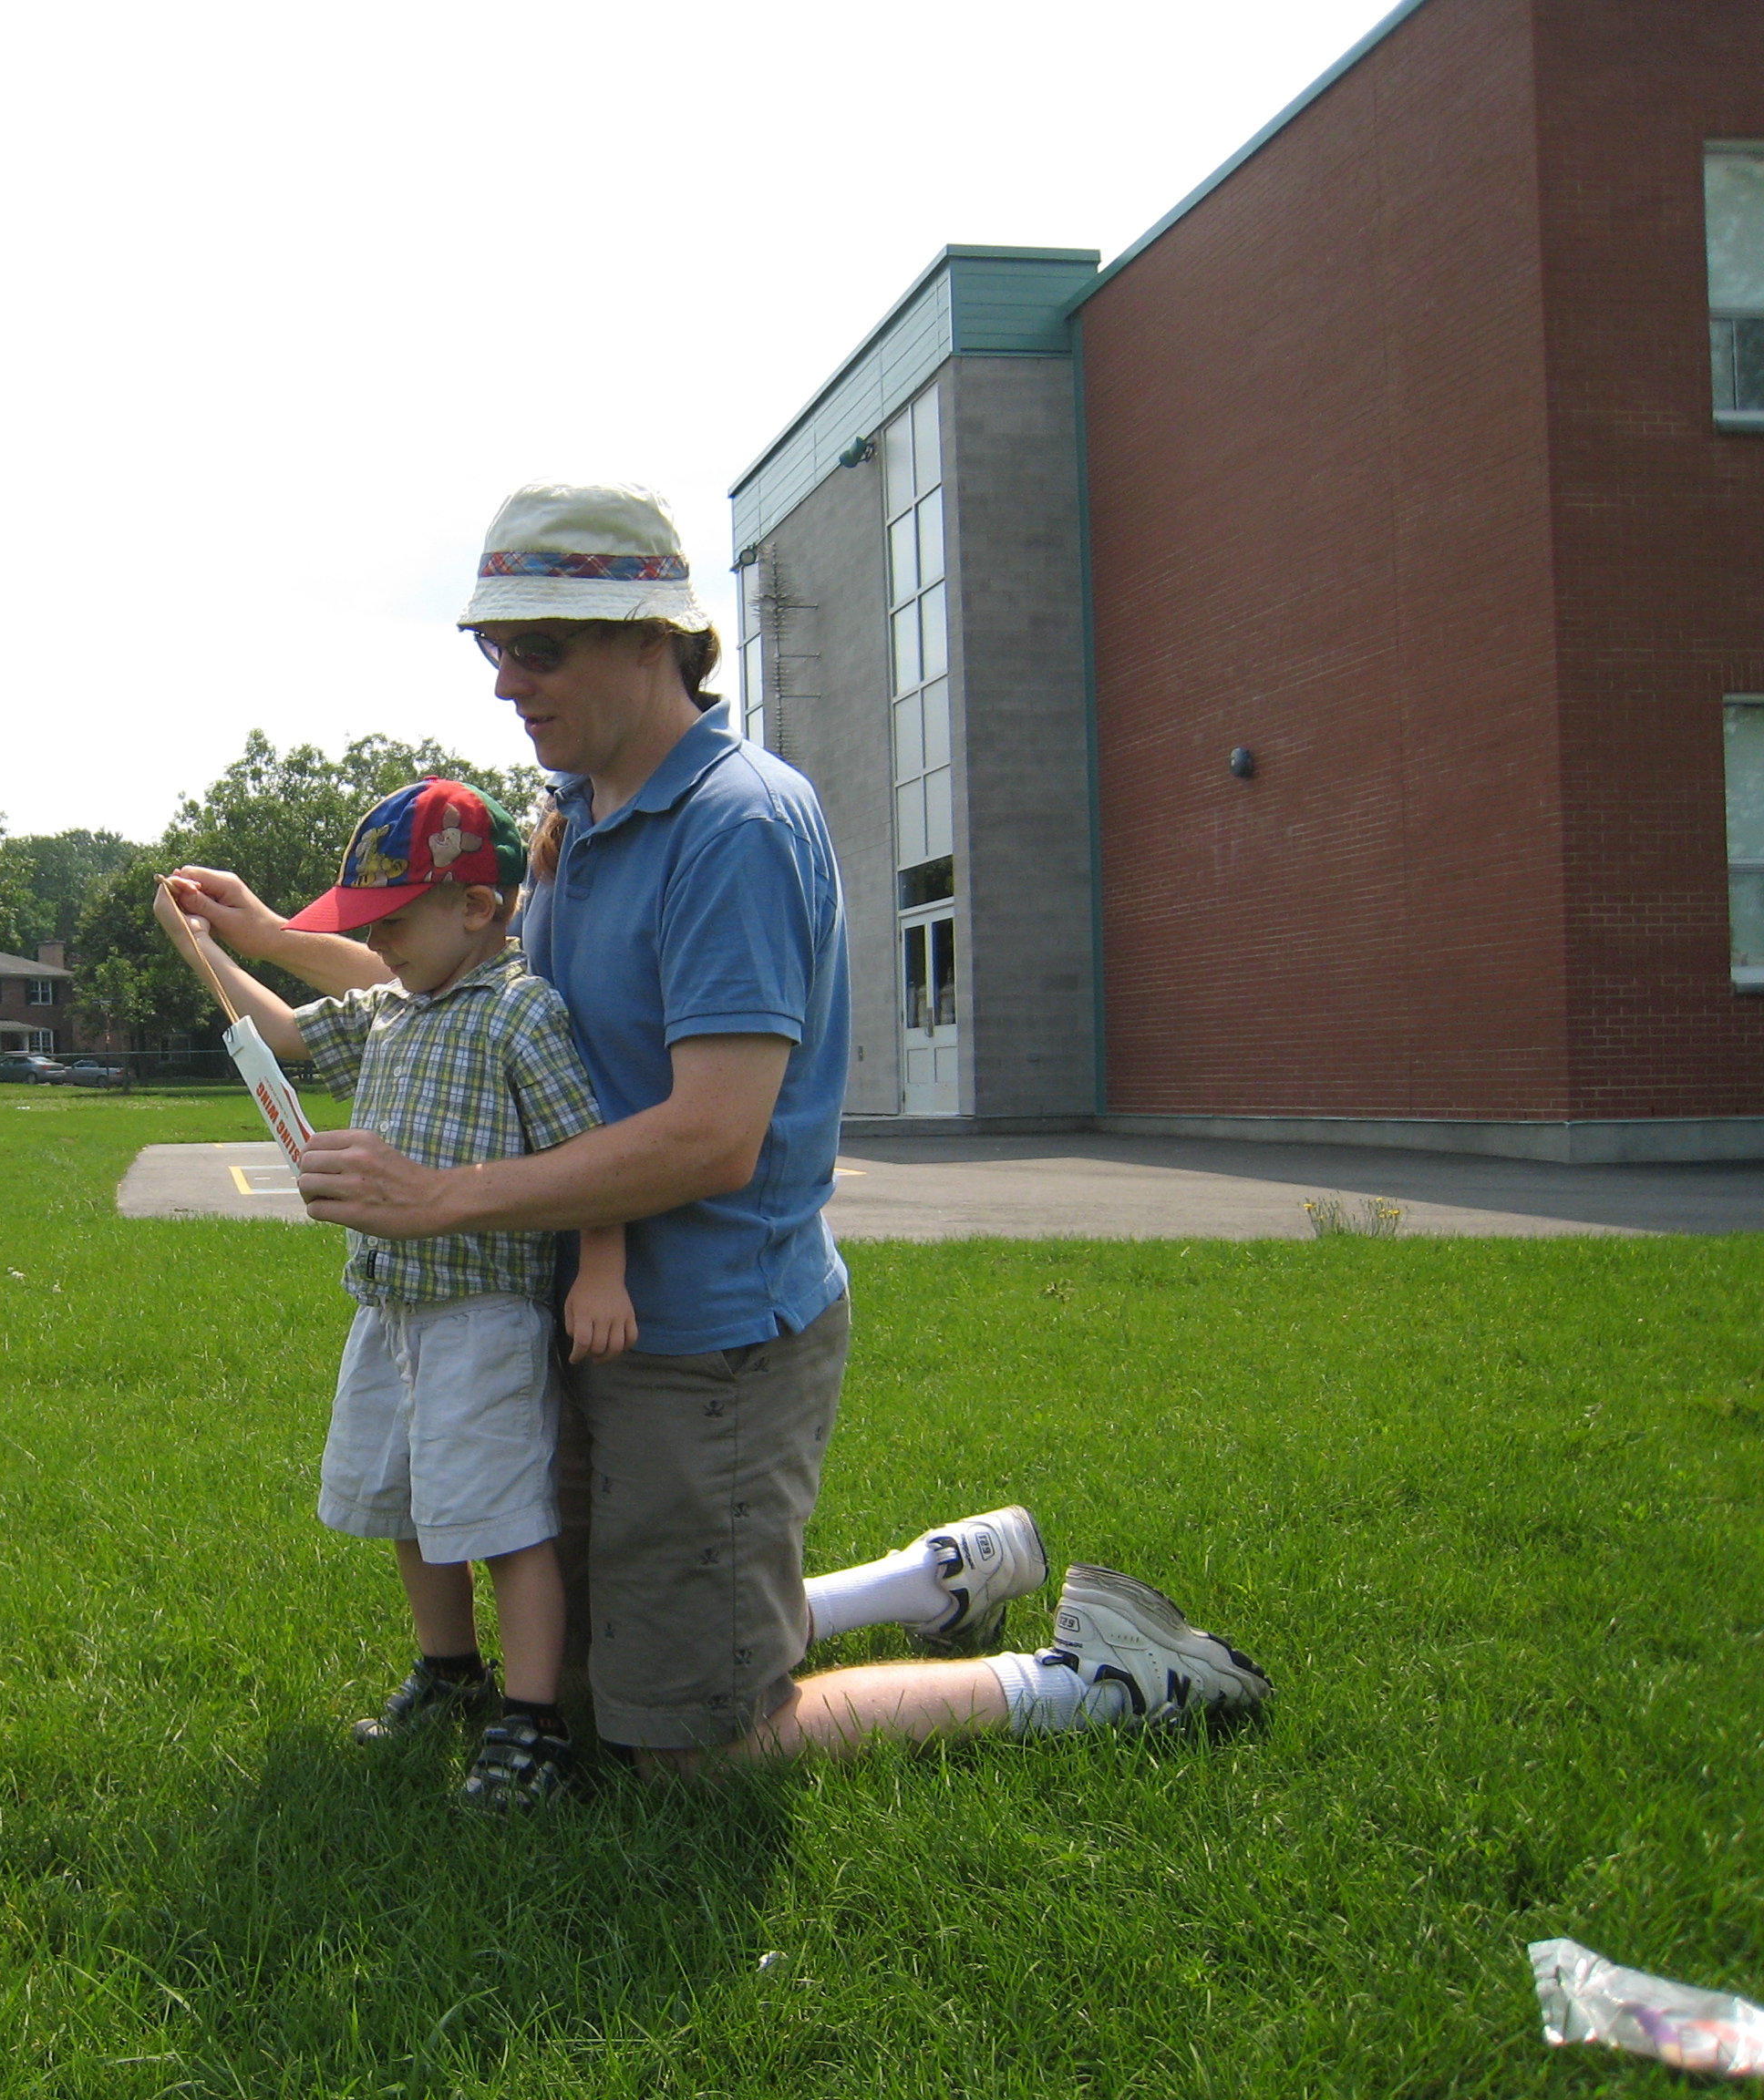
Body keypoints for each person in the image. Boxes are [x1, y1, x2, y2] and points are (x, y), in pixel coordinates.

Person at [163, 481, 1272, 1776]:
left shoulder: (736, 826)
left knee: (694, 1748)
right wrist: (267, 935)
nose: (508, 682)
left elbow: (712, 1139)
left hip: (708, 1336)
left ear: (653, 640)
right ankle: (931, 1579)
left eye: (540, 647)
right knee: (597, 1681)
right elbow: (444, 992)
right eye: (494, 649)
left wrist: (438, 1198)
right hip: (583, 1316)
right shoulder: (578, 813)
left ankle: (1093, 1677)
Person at [156, 774, 636, 1807]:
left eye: (394, 920)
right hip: (387, 1309)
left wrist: (602, 1270)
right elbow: (284, 1033)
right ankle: (452, 1671)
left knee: (501, 1518)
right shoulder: (389, 1009)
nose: (376, 942)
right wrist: (206, 948)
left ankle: (536, 1721)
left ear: (478, 907)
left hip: (482, 1317)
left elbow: (587, 1153)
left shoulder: (521, 1014)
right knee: (409, 1504)